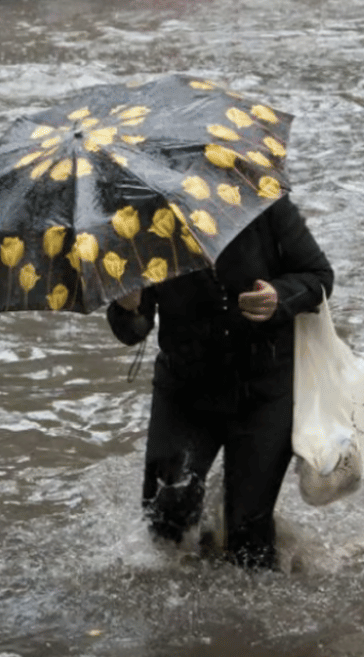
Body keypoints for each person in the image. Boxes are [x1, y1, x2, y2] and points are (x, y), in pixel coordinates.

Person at [107, 194, 334, 571]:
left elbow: (319, 277)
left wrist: (278, 298)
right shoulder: (137, 221)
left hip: (266, 388)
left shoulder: (262, 202)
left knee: (248, 540)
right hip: (185, 389)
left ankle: (251, 623)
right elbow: (132, 331)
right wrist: (128, 306)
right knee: (165, 520)